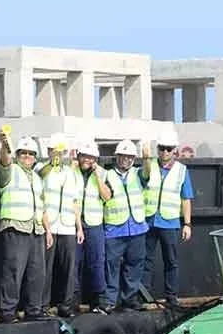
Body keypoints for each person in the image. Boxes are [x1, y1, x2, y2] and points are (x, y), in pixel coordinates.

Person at [0, 133, 48, 323]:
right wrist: (5, 145)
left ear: (35, 158)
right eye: (23, 153)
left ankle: (33, 310)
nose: (27, 156)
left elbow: (42, 205)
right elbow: (5, 160)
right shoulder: (10, 170)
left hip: (36, 229)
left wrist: (47, 230)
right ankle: (7, 311)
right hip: (16, 227)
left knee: (37, 273)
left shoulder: (37, 178)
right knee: (13, 271)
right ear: (17, 155)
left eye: (31, 153)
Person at [142, 130, 193, 307]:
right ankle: (144, 296)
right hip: (149, 220)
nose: (165, 152)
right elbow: (143, 177)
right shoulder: (149, 166)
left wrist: (187, 224)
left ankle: (171, 296)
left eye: (168, 149)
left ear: (174, 150)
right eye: (162, 148)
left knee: (171, 261)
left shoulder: (181, 171)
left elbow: (186, 198)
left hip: (169, 222)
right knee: (145, 259)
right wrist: (145, 158)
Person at [38, 134, 83, 318]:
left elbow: (75, 201)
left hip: (67, 226)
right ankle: (43, 305)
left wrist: (79, 227)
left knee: (68, 269)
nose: (58, 155)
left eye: (60, 152)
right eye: (54, 151)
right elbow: (40, 196)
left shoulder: (72, 173)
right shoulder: (42, 169)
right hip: (49, 225)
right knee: (45, 268)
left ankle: (66, 305)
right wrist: (47, 228)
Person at [101, 140, 149, 312]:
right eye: (123, 156)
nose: (126, 160)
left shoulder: (137, 173)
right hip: (115, 229)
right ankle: (110, 300)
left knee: (135, 264)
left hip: (136, 227)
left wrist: (146, 158)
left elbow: (148, 173)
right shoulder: (106, 175)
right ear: (117, 157)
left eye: (130, 157)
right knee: (111, 266)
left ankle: (130, 298)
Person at [70, 142, 111, 312]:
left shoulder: (103, 173)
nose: (87, 160)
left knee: (96, 263)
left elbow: (107, 196)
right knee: (74, 264)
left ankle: (98, 300)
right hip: (74, 224)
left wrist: (97, 177)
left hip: (94, 224)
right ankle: (73, 300)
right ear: (78, 156)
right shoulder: (71, 172)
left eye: (91, 157)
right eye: (84, 156)